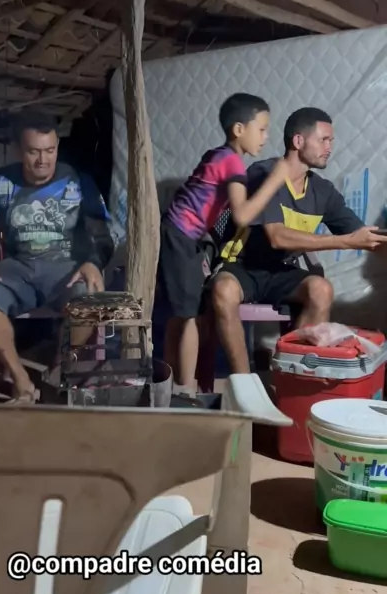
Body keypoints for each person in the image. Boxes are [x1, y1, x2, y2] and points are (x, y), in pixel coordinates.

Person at [210, 107, 387, 374]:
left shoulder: (322, 191)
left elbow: (365, 235)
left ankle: (291, 375)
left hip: (281, 271)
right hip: (242, 266)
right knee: (224, 291)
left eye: (331, 141)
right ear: (298, 141)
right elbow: (277, 237)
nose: (329, 147)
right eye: (323, 140)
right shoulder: (264, 174)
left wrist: (371, 240)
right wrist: (347, 242)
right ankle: (244, 382)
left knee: (321, 289)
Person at [0, 110, 114, 403]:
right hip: (18, 268)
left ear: (57, 147)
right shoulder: (1, 182)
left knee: (92, 298)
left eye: (50, 150)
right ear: (19, 150)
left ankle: (57, 372)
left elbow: (104, 237)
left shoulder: (78, 183)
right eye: (33, 152)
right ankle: (21, 381)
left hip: (67, 270)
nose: (43, 160)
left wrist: (94, 263)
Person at [158, 93, 289, 391]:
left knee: (181, 316)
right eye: (261, 129)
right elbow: (242, 215)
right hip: (181, 236)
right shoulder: (232, 163)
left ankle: (170, 384)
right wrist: (275, 179)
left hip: (180, 235)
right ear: (239, 129)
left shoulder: (217, 155)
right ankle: (185, 390)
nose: (266, 137)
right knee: (190, 317)